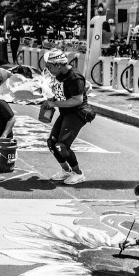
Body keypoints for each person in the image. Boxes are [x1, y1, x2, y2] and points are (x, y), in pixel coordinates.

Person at [40, 49, 90, 185]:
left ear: (58, 65)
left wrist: (55, 103)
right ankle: (66, 171)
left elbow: (77, 100)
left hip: (77, 113)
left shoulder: (74, 77)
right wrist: (50, 100)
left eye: (50, 67)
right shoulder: (59, 75)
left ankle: (78, 173)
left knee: (62, 145)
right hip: (66, 112)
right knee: (52, 142)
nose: (48, 69)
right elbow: (62, 93)